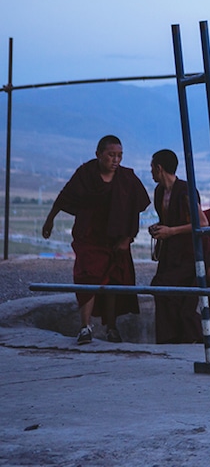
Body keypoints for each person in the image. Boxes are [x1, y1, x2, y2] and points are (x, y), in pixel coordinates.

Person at [41, 135, 151, 345]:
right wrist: (50, 220)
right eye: (111, 155)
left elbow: (136, 206)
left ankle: (111, 327)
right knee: (87, 278)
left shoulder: (127, 178)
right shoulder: (86, 174)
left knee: (114, 281)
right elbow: (64, 196)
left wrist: (127, 237)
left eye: (119, 155)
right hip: (89, 237)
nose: (116, 160)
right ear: (98, 154)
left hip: (116, 239)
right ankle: (85, 327)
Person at [148, 149, 205, 344]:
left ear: (159, 168)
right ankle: (170, 338)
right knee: (163, 292)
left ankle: (187, 337)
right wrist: (159, 229)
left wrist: (171, 232)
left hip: (186, 254)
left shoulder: (186, 191)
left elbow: (202, 223)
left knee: (169, 291)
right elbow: (167, 219)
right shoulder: (159, 191)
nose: (151, 172)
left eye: (152, 168)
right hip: (168, 254)